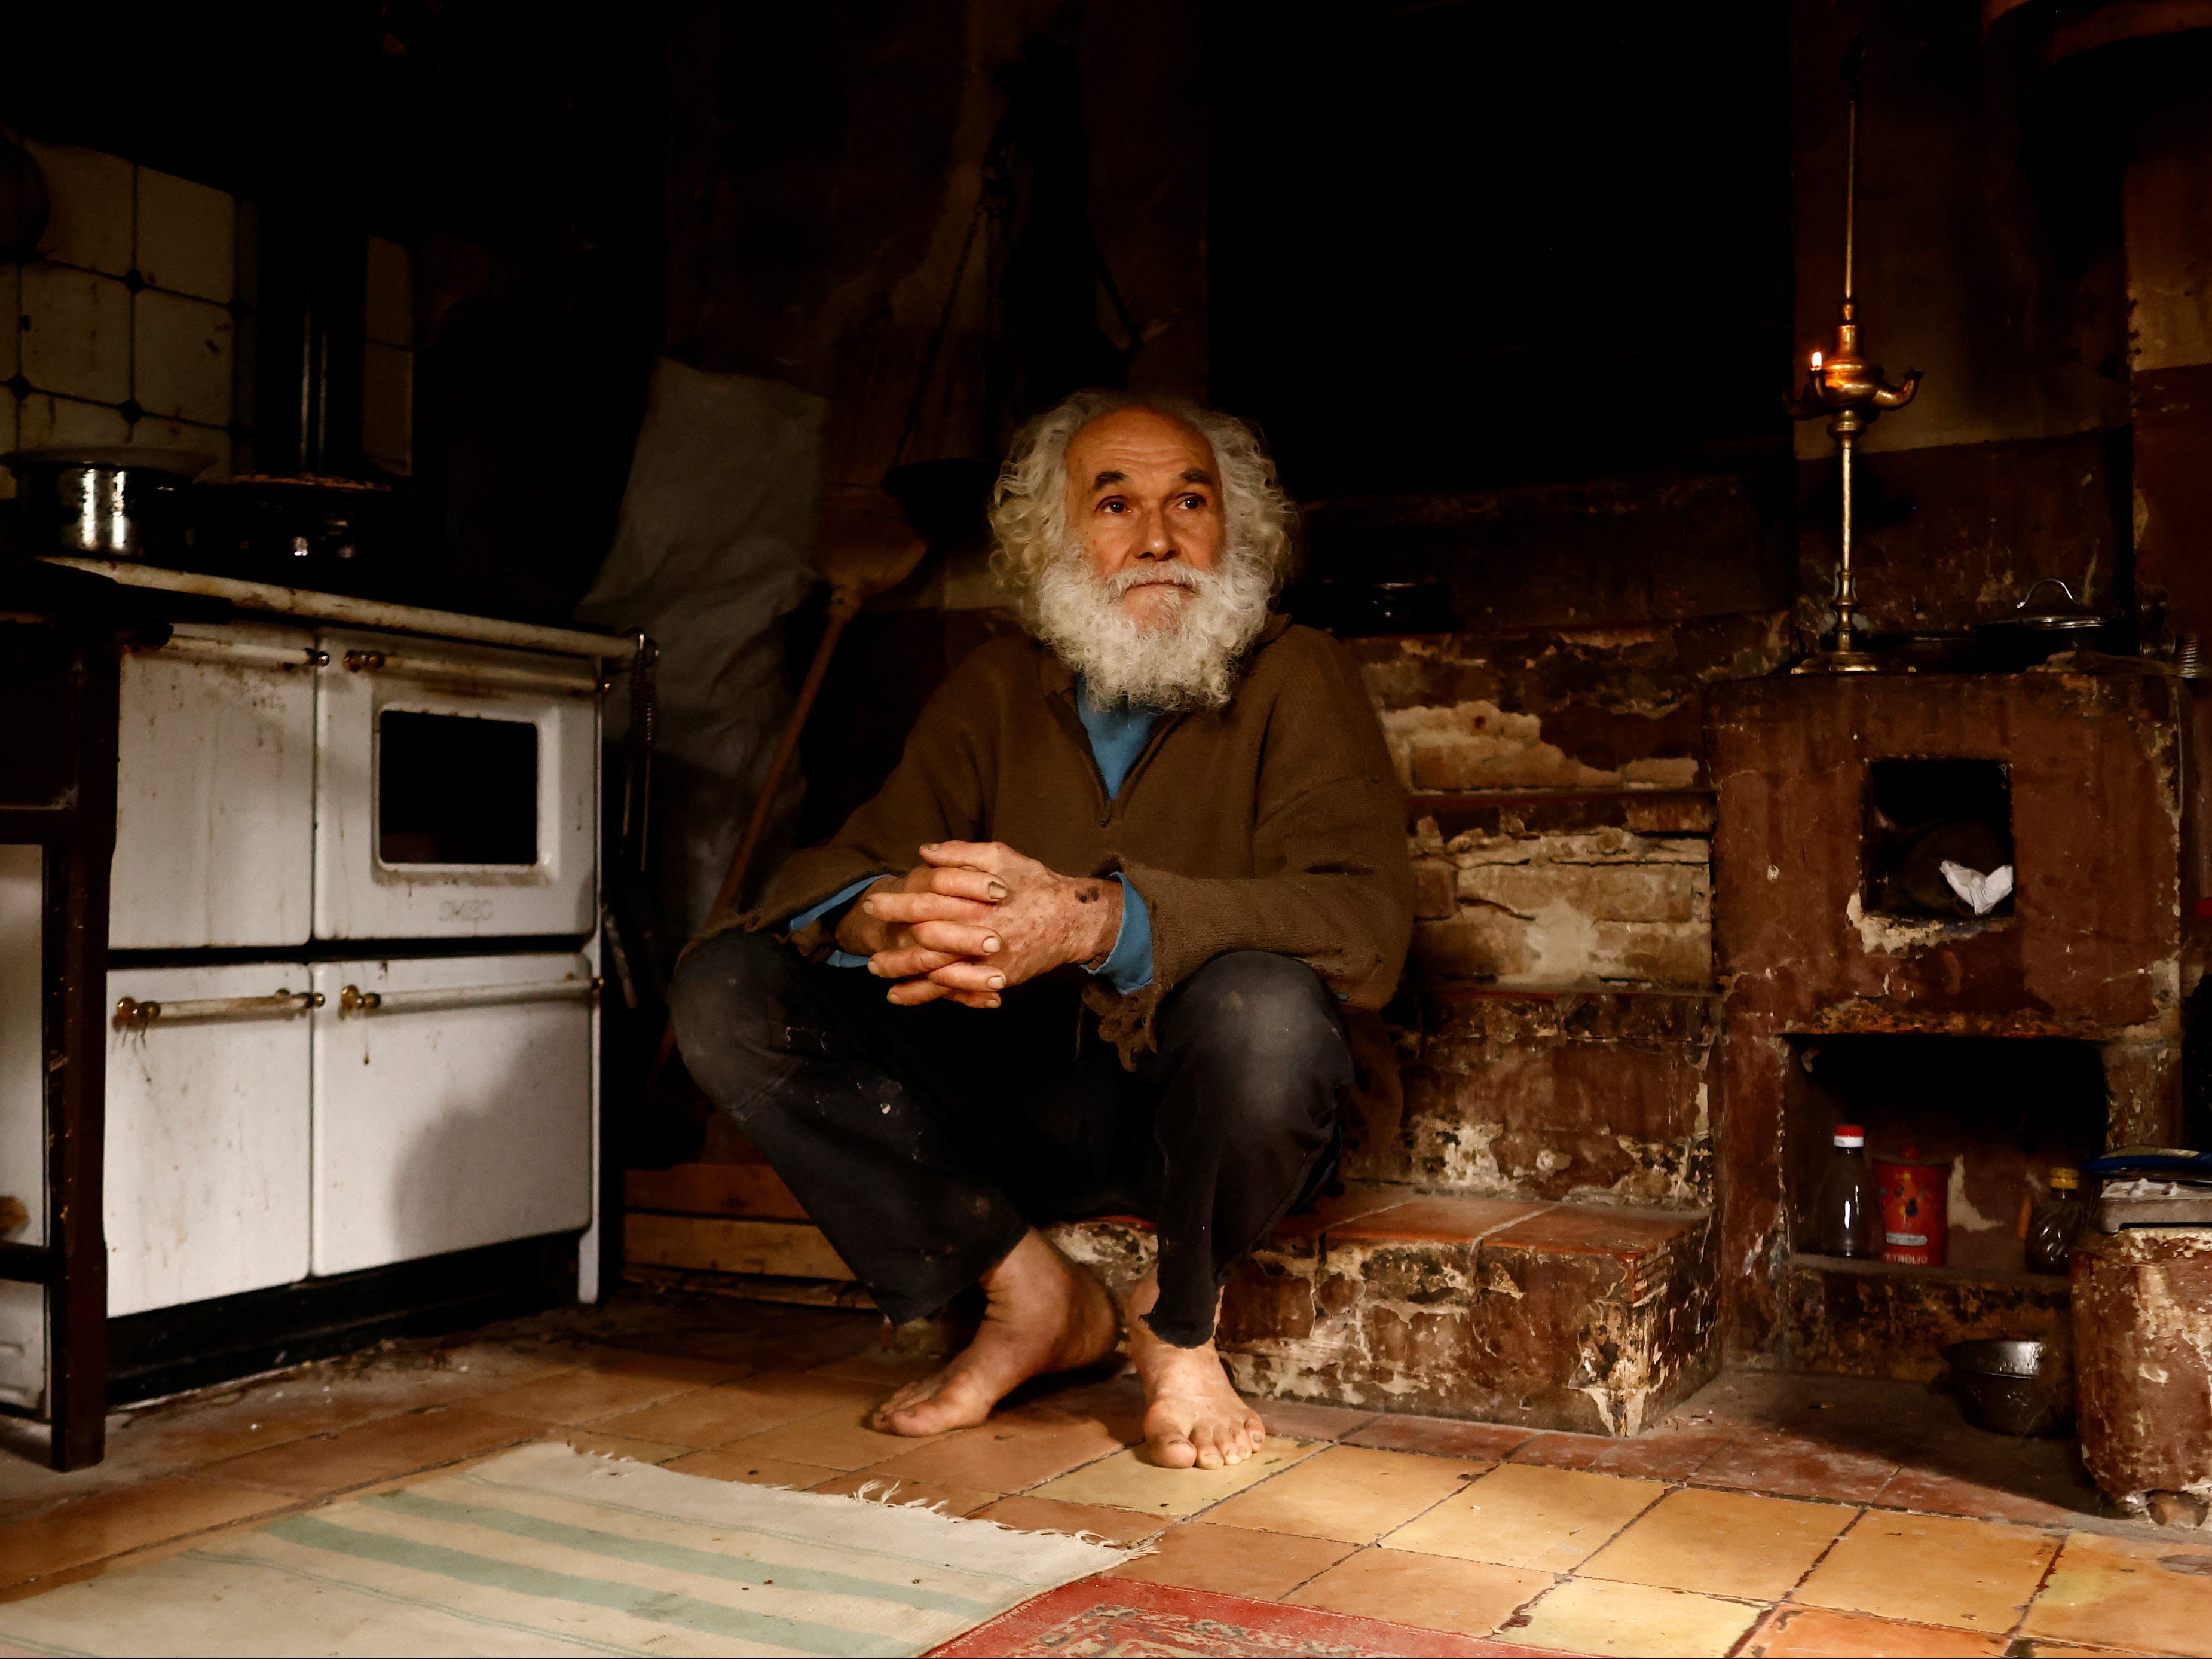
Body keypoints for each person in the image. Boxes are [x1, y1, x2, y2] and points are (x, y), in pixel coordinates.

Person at [670, 388, 1412, 1470]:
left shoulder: (1296, 673)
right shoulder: (995, 687)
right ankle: (1029, 1294)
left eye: (1188, 503)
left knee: (1267, 1007)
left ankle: (1176, 1324)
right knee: (729, 988)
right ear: (1056, 541)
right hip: (1019, 1106)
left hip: (1214, 1111)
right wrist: (883, 919)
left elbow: (1363, 921)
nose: (1158, 538)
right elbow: (840, 867)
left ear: (1230, 530)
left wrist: (1091, 920)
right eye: (1114, 505)